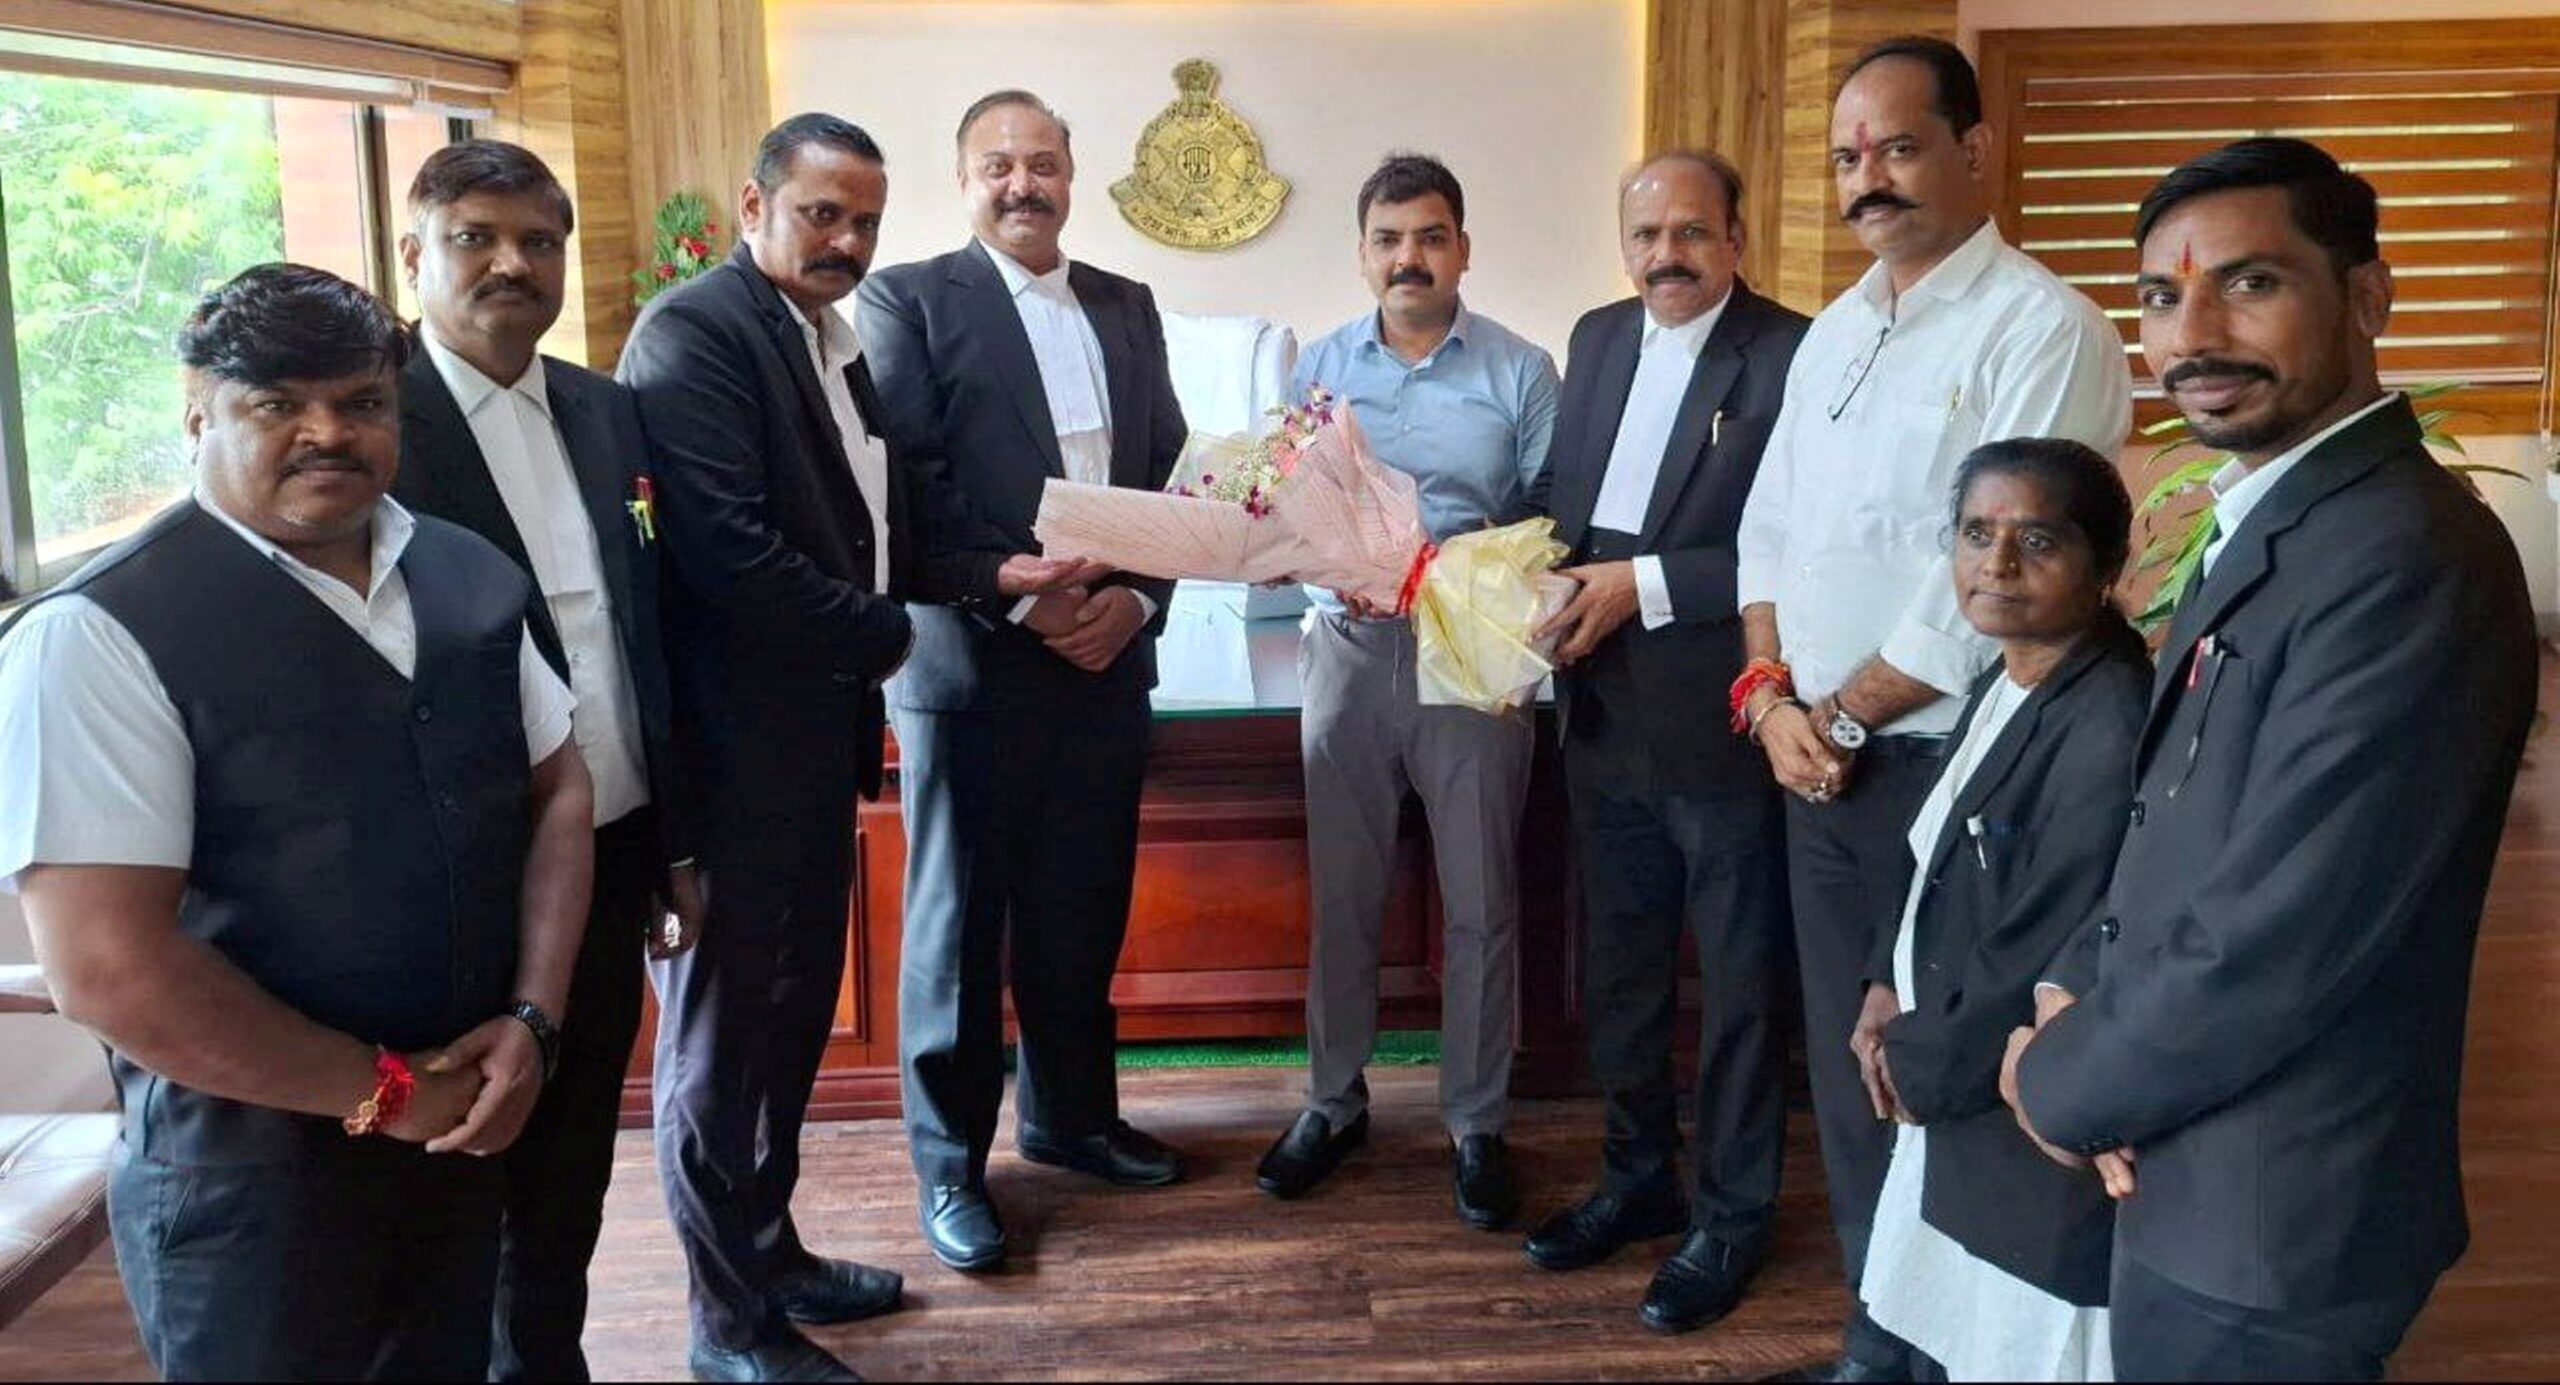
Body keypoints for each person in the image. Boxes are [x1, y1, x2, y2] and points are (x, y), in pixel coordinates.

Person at [2003, 137, 2538, 1383]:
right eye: (2159, 295)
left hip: (2275, 1215)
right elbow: (2176, 818)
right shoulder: (2281, 519)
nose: (2191, 335)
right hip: (2198, 1153)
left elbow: (2283, 930)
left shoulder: (2404, 556)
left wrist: (2058, 1081)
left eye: (2250, 283)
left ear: (2367, 295)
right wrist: (2069, 986)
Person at [0, 263, 592, 1381]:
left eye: (361, 401)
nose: (328, 432)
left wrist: (533, 1015)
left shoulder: (467, 573)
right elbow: (107, 968)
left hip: (460, 1136)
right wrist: (385, 1092)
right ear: (197, 412)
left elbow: (559, 788)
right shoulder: (99, 632)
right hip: (248, 1186)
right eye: (278, 402)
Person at [1730, 36, 2132, 1382]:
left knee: (1950, 1073)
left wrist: (1840, 715)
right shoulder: (1835, 329)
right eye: (1849, 156)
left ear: (1974, 150)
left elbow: (2003, 583)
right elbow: (1769, 530)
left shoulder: (2042, 327)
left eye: (1898, 147)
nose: (1869, 179)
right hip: (1813, 765)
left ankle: (1954, 1354)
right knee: (1853, 1070)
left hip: (1950, 774)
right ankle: (1880, 1342)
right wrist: (1771, 697)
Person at [621, 114, 992, 1383]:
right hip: (732, 760)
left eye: (864, 221)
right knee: (718, 1051)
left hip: (814, 743)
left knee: (785, 1025)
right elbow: (728, 555)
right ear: (753, 207)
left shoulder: (830, 335)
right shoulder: (694, 334)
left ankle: (770, 1253)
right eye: (821, 213)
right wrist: (894, 632)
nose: (845, 241)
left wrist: (993, 574)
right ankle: (726, 1326)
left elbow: (878, 519)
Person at [856, 88, 1190, 1275]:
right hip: (973, 660)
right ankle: (950, 1162)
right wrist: (1020, 596)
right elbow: (909, 483)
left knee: (1080, 903)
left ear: (1071, 176)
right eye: (998, 165)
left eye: (1042, 163)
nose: (1022, 184)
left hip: (1107, 655)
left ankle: (1072, 1118)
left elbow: (1169, 471)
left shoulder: (1125, 301)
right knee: (957, 929)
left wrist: (1135, 601)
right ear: (963, 181)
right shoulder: (905, 298)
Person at [391, 138, 703, 1382]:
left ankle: (547, 1361)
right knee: (459, 1162)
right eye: (474, 237)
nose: (510, 264)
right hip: (456, 872)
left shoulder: (603, 407)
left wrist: (672, 843)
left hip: (614, 847)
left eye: (536, 241)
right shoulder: (373, 425)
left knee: (574, 1154)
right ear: (414, 255)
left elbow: (645, 635)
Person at [1519, 150, 1807, 1334]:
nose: (1665, 255)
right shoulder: (1595, 338)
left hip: (1724, 715)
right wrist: (1518, 577)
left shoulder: (1791, 354)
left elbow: (1798, 545)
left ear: (1737, 237)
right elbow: (1564, 498)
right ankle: (1638, 1176)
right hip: (1598, 708)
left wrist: (1636, 584)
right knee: (1623, 970)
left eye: (1690, 232)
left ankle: (1731, 1215)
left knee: (1740, 985)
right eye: (1644, 235)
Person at [1249, 152, 1558, 1229]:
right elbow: (1278, 500)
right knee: (1343, 898)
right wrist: (1285, 549)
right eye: (1388, 239)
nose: (1408, 258)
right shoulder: (1320, 366)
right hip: (1348, 650)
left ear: (1462, 249)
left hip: (1471, 656)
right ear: (1363, 254)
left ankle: (1476, 1121)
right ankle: (1331, 1103)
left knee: (1482, 901)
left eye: (1430, 237)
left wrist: (1486, 593)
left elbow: (1553, 519)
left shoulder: (1522, 371)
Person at [1850, 437, 2149, 1381]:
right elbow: (1934, 850)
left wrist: (1917, 1061)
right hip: (1944, 1040)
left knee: (2015, 1337)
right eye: (1977, 533)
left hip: (2008, 1084)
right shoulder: (2011, 672)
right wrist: (1881, 982)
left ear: (2108, 564)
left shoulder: (2106, 721)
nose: (1998, 563)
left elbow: (2041, 944)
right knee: (1952, 1317)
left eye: (2040, 540)